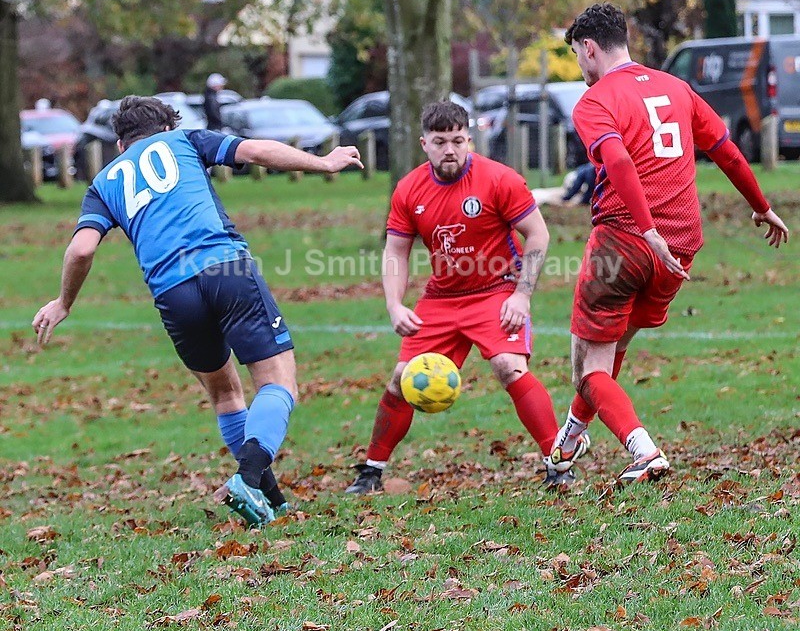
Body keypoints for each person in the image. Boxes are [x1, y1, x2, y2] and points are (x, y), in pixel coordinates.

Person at [32, 96, 362, 525]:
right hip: (224, 268)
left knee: (225, 394)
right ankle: (247, 477)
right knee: (278, 381)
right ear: (167, 127)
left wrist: (64, 302)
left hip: (172, 293)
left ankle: (271, 502)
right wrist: (324, 162)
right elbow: (256, 150)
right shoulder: (184, 140)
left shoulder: (104, 182)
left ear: (119, 144)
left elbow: (81, 248)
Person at [549, 3, 789, 484]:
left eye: (577, 55)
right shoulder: (676, 88)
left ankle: (642, 450)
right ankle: (569, 439)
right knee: (614, 349)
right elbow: (726, 150)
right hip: (680, 247)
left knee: (587, 366)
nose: (580, 66)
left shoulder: (594, 103)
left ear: (590, 48)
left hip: (626, 241)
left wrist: (645, 229)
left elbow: (616, 161)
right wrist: (761, 206)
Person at [345, 100, 589, 495]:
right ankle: (371, 471)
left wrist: (522, 296)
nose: (450, 150)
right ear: (424, 144)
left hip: (497, 291)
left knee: (510, 367)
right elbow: (395, 251)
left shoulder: (499, 179)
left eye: (458, 140)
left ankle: (558, 465)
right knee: (400, 379)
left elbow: (538, 234)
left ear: (469, 140)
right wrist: (394, 304)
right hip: (442, 298)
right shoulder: (409, 189)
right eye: (440, 142)